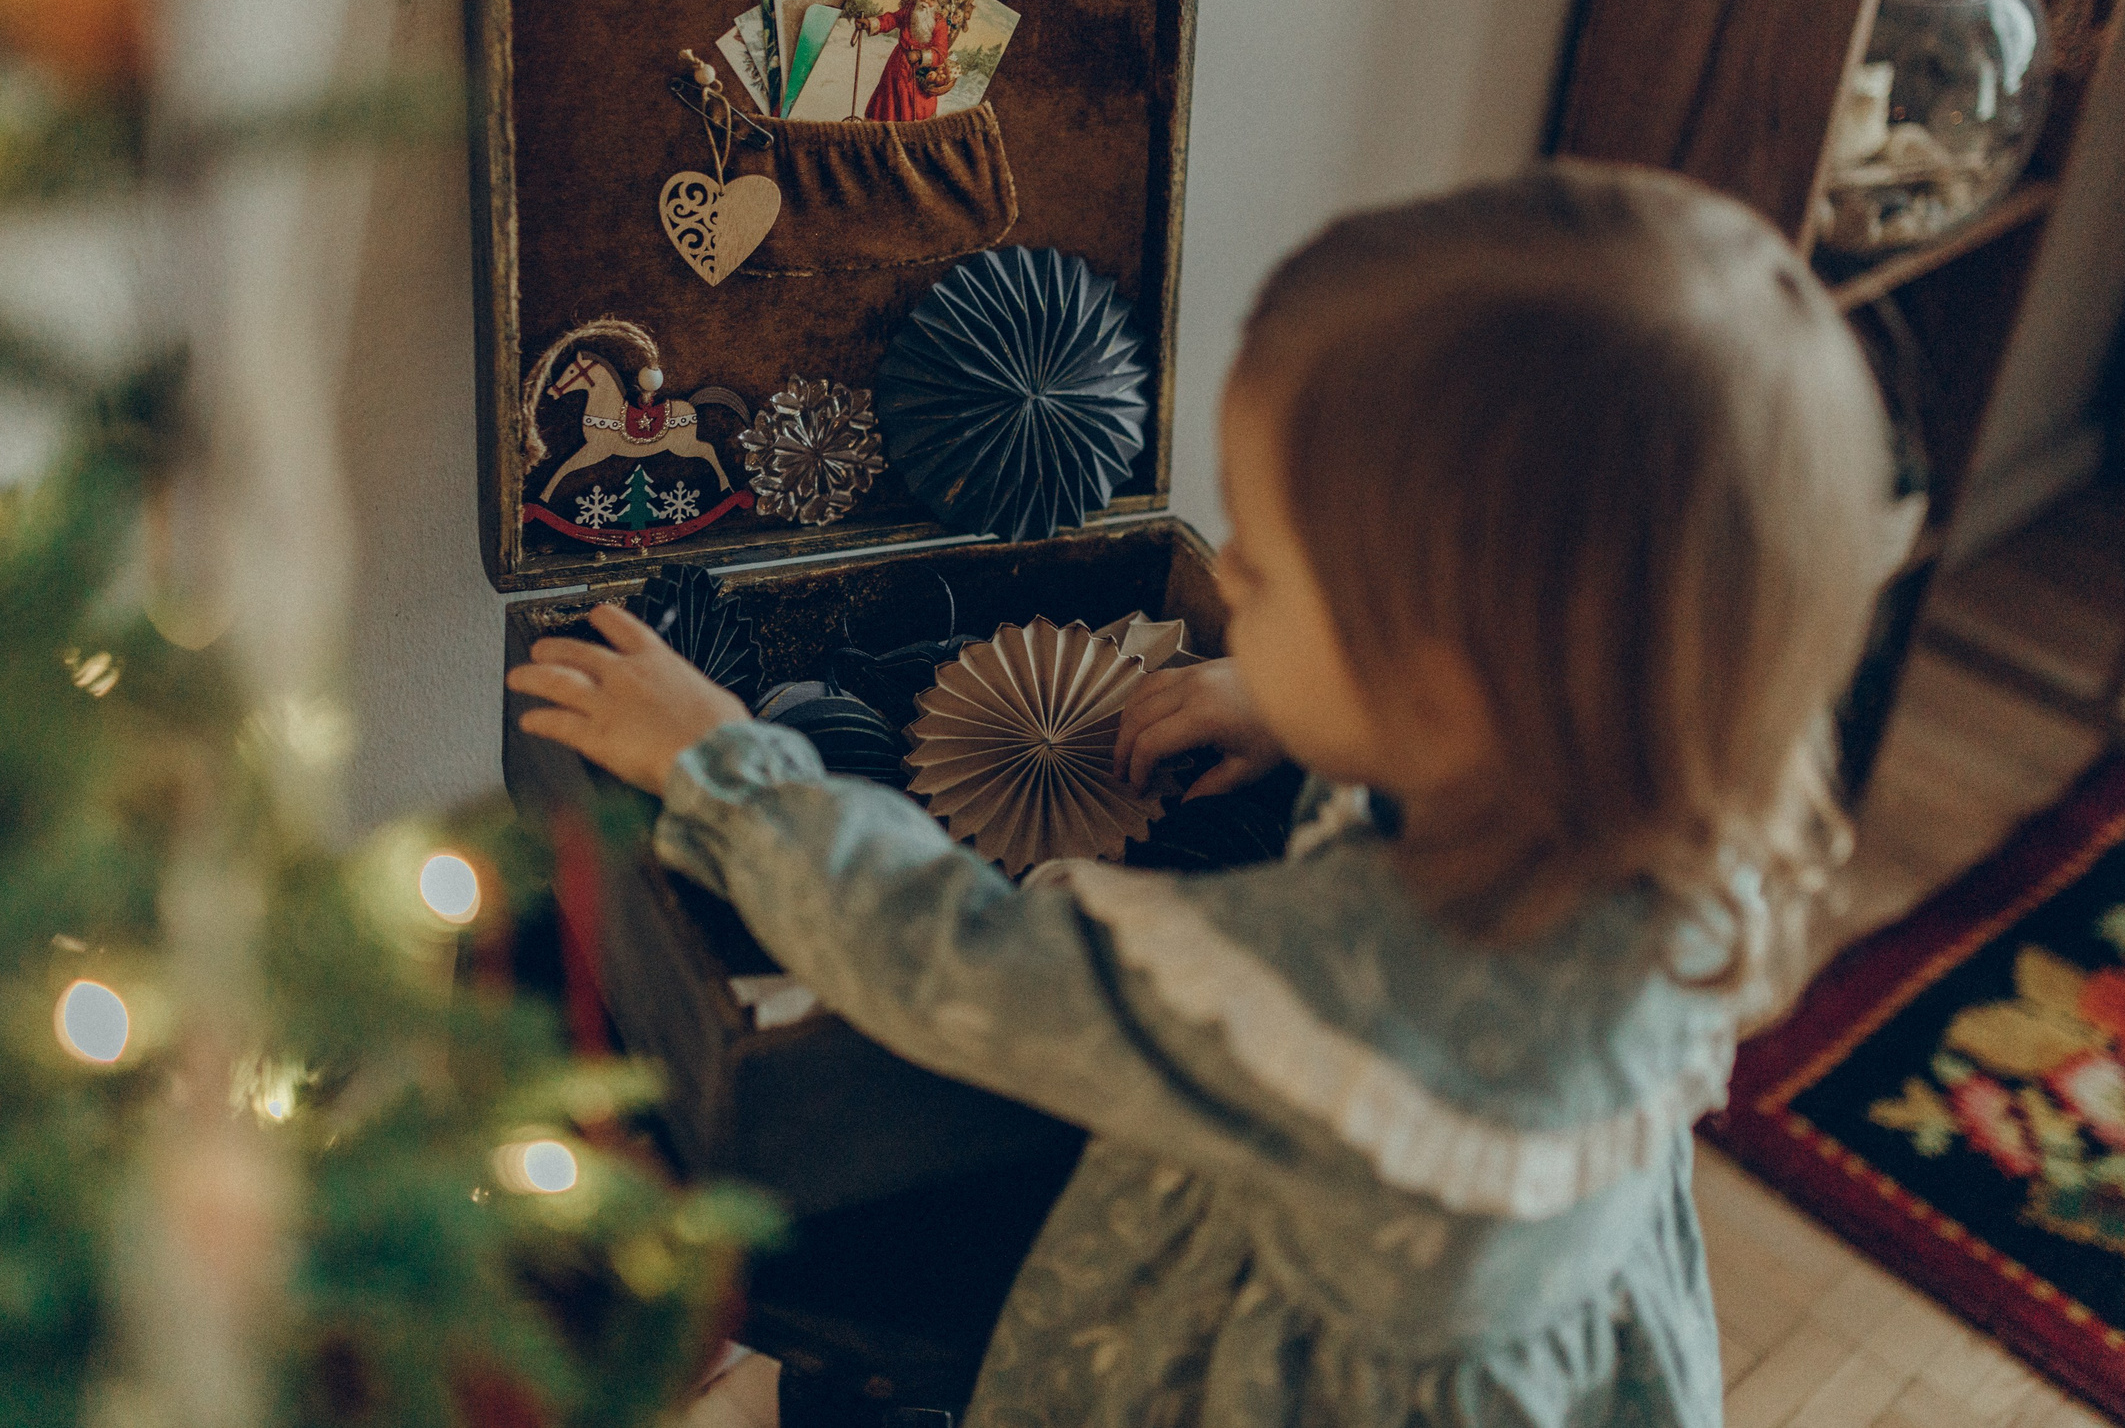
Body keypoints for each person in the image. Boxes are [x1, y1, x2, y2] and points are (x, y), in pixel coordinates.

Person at [507, 162, 1900, 1427]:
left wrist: (724, 764)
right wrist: (1294, 706)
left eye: (1271, 574)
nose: (1222, 576)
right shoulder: (1690, 807)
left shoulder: (1320, 987)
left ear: (1438, 691)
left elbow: (942, 957)